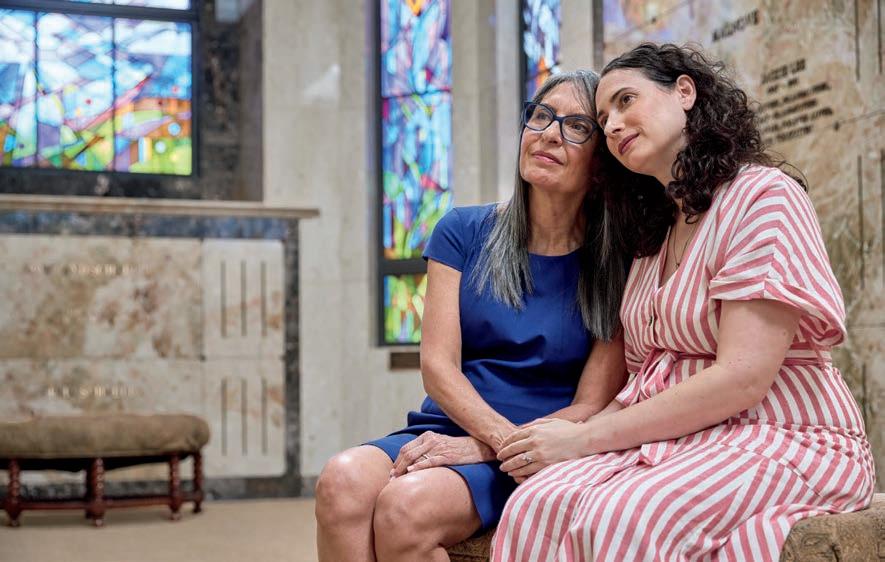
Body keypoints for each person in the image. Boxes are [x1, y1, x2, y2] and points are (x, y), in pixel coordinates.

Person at [491, 43, 875, 562]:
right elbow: (643, 378)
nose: (614, 126)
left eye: (626, 101)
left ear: (685, 92)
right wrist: (564, 436)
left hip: (781, 433)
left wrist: (584, 440)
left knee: (622, 517)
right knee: (537, 503)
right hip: (685, 438)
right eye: (603, 120)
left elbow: (742, 378)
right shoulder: (655, 233)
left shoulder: (763, 196)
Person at [314, 70, 643, 561]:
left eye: (577, 126)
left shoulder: (618, 262)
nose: (550, 134)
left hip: (543, 447)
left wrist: (491, 448)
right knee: (340, 482)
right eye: (541, 116)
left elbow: (589, 404)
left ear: (601, 163)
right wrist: (487, 436)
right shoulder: (461, 231)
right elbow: (437, 367)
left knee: (405, 508)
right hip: (452, 428)